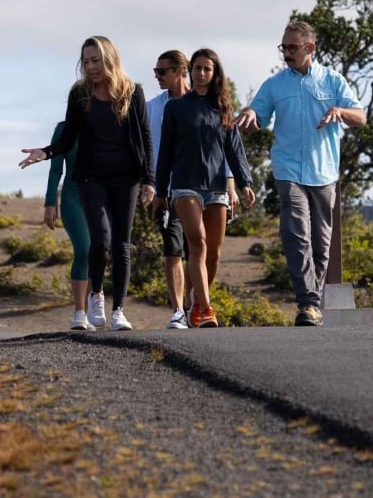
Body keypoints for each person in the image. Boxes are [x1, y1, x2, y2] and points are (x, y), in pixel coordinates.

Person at [20, 35, 155, 331]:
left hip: (126, 178)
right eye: (86, 61)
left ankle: (118, 309)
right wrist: (46, 153)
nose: (91, 67)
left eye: (96, 60)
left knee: (121, 244)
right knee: (100, 239)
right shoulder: (80, 94)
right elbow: (68, 136)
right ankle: (96, 294)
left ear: (110, 60)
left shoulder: (133, 92)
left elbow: (145, 137)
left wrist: (149, 180)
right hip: (90, 177)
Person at [235, 21, 364, 326]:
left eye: (292, 47)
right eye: (284, 47)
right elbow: (258, 112)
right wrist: (251, 113)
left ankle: (314, 305)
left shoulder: (333, 81)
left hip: (324, 173)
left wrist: (340, 112)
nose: (286, 53)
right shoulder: (275, 84)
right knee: (295, 234)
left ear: (310, 48)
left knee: (320, 243)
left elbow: (360, 116)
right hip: (288, 170)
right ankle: (307, 303)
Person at [155, 48, 256, 328]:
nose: (201, 74)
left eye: (206, 69)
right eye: (197, 68)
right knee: (197, 242)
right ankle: (208, 309)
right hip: (185, 186)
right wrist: (161, 192)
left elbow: (234, 149)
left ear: (215, 74)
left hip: (216, 188)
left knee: (214, 252)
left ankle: (195, 303)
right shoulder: (175, 108)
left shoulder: (223, 108)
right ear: (190, 71)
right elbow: (165, 153)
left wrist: (245, 182)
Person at [146, 50, 193, 329]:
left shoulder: (202, 103)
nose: (157, 76)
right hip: (167, 191)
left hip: (200, 190)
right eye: (155, 71)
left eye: (162, 72)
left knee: (198, 251)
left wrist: (231, 182)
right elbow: (148, 150)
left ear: (180, 71)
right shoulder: (153, 107)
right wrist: (151, 186)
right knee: (172, 249)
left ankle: (194, 306)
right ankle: (177, 310)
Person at [42, 120, 101, 329]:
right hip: (73, 197)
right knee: (84, 250)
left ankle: (95, 305)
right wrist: (50, 202)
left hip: (102, 197)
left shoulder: (109, 123)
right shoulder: (64, 129)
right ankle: (80, 312)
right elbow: (56, 169)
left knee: (99, 250)